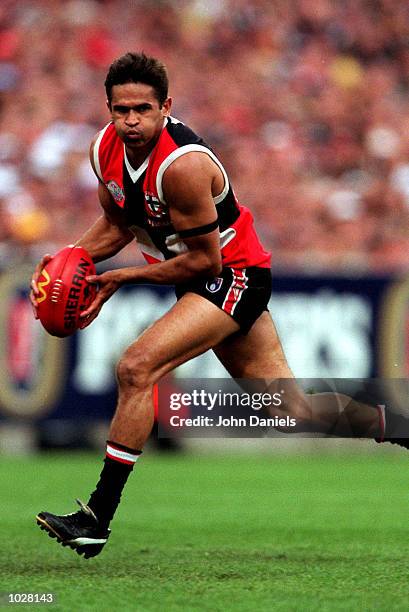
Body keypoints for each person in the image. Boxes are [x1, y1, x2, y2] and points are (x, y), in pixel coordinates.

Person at [30, 52, 408, 559]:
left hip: (233, 276)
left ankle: (97, 518)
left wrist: (120, 277)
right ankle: (397, 425)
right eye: (121, 110)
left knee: (136, 367)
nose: (132, 120)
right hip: (205, 277)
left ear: (167, 106)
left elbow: (206, 263)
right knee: (290, 409)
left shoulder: (183, 165)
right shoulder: (105, 149)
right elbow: (119, 223)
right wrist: (74, 259)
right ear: (108, 109)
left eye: (143, 108)